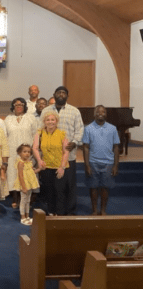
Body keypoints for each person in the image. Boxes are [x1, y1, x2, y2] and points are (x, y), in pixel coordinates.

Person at [39, 87, 84, 215]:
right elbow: (40, 129)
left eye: (64, 93)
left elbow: (79, 129)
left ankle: (68, 211)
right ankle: (52, 210)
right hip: (49, 157)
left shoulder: (74, 111)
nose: (61, 94)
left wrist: (75, 142)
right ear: (54, 94)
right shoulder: (46, 111)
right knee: (51, 186)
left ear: (67, 96)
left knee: (68, 185)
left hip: (67, 156)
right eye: (59, 92)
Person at [82, 105, 120, 215]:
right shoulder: (88, 128)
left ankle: (103, 210)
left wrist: (115, 165)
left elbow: (116, 147)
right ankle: (94, 210)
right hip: (93, 162)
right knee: (93, 187)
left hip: (108, 163)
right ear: (94, 114)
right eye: (98, 112)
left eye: (103, 112)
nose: (100, 114)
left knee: (105, 187)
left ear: (106, 114)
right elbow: (85, 147)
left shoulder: (112, 128)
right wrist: (87, 165)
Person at [33, 112, 70, 216]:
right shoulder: (39, 133)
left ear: (56, 121)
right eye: (48, 120)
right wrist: (39, 161)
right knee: (49, 192)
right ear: (44, 122)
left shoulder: (62, 133)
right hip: (46, 167)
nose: (50, 122)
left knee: (60, 192)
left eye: (52, 120)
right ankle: (51, 213)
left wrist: (62, 167)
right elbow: (35, 148)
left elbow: (66, 151)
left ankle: (60, 214)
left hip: (60, 167)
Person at [3, 98, 36, 208]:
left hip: (27, 152)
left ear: (25, 106)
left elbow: (35, 135)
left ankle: (27, 199)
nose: (18, 106)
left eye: (21, 104)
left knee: (27, 174)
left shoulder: (30, 118)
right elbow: (5, 135)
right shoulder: (8, 119)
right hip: (12, 151)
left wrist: (33, 151)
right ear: (13, 106)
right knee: (13, 174)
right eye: (16, 104)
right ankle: (15, 199)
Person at [13, 143, 39, 225]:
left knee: (28, 201)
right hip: (24, 184)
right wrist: (23, 186)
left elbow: (33, 172)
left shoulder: (29, 162)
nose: (27, 153)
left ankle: (28, 216)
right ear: (19, 153)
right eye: (24, 151)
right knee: (23, 201)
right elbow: (20, 175)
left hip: (30, 183)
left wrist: (40, 168)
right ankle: (22, 217)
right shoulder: (20, 163)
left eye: (29, 152)